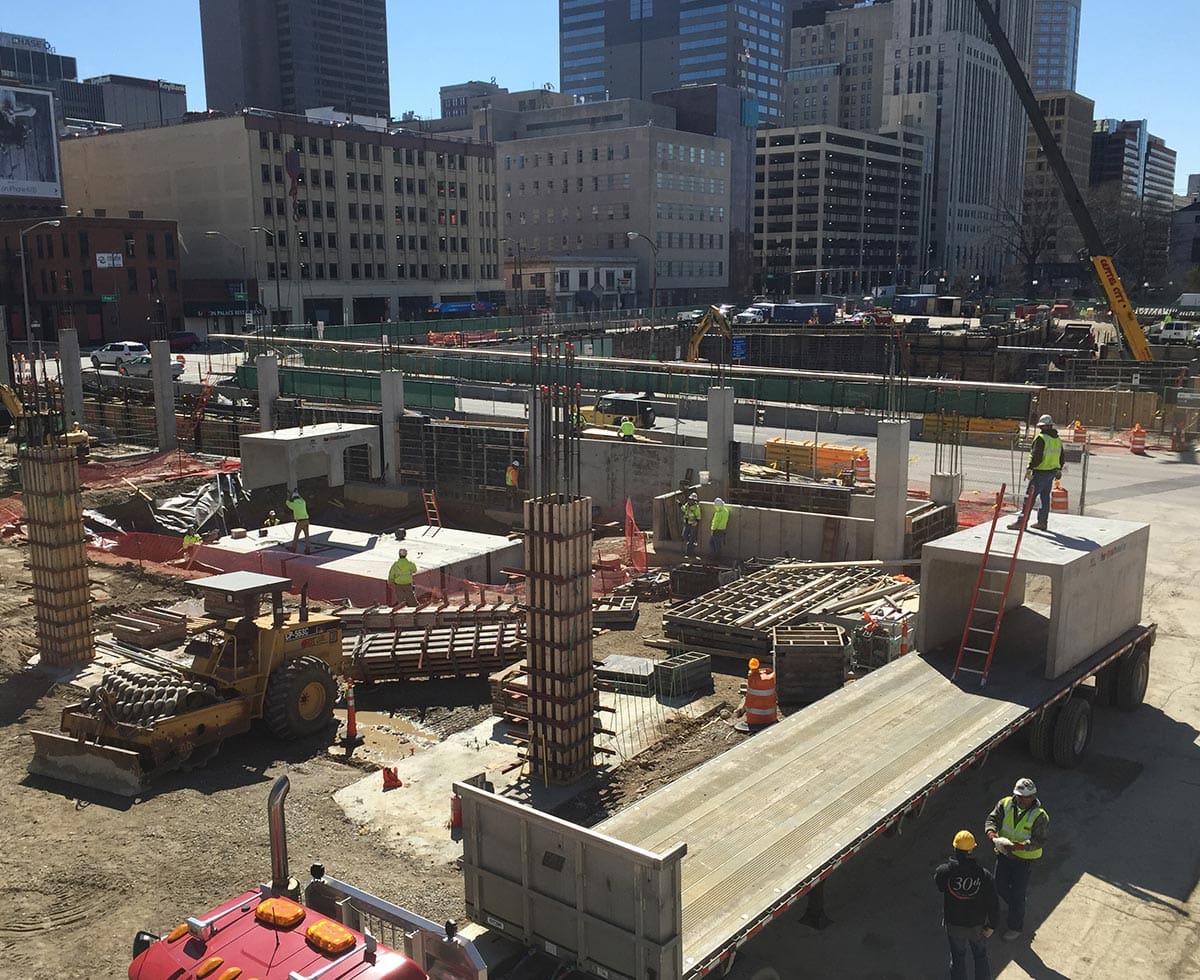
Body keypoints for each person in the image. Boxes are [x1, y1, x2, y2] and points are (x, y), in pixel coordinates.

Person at [985, 777, 1049, 941]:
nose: (1021, 800)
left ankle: (1015, 926)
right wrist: (992, 834)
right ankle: (1017, 905)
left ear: (1033, 797)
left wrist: (1018, 846)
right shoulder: (1005, 804)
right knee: (999, 886)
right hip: (1005, 854)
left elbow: (1039, 841)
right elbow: (992, 819)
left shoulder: (1039, 816)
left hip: (1024, 860)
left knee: (1018, 894)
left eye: (1025, 797)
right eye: (1019, 796)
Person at [935, 830, 999, 980]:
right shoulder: (984, 875)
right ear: (971, 850)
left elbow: (940, 886)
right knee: (980, 956)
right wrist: (992, 925)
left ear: (955, 848)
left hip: (954, 925)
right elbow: (993, 902)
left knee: (957, 958)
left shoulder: (944, 872)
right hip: (977, 926)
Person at [1008, 415, 1062, 532]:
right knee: (1045, 498)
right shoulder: (1057, 439)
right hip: (1051, 472)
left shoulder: (1041, 438)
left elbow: (1037, 455)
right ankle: (1042, 522)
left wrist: (1030, 468)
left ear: (1043, 426)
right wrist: (1059, 469)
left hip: (1040, 473)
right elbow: (1061, 456)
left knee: (1029, 498)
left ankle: (1021, 523)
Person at [285, 488, 311, 554]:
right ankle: (308, 549)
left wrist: (288, 495)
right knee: (307, 535)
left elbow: (287, 503)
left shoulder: (294, 504)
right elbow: (301, 498)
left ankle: (293, 548)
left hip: (300, 521)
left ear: (293, 498)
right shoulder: (303, 502)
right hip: (306, 520)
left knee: (296, 535)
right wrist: (296, 492)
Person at [681, 492, 702, 559]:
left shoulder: (696, 507)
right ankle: (691, 545)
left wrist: (696, 521)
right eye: (689, 499)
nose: (690, 501)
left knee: (691, 538)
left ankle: (688, 553)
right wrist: (679, 504)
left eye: (692, 500)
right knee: (684, 535)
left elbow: (698, 516)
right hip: (687, 523)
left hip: (693, 524)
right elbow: (684, 509)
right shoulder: (687, 505)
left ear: (694, 501)